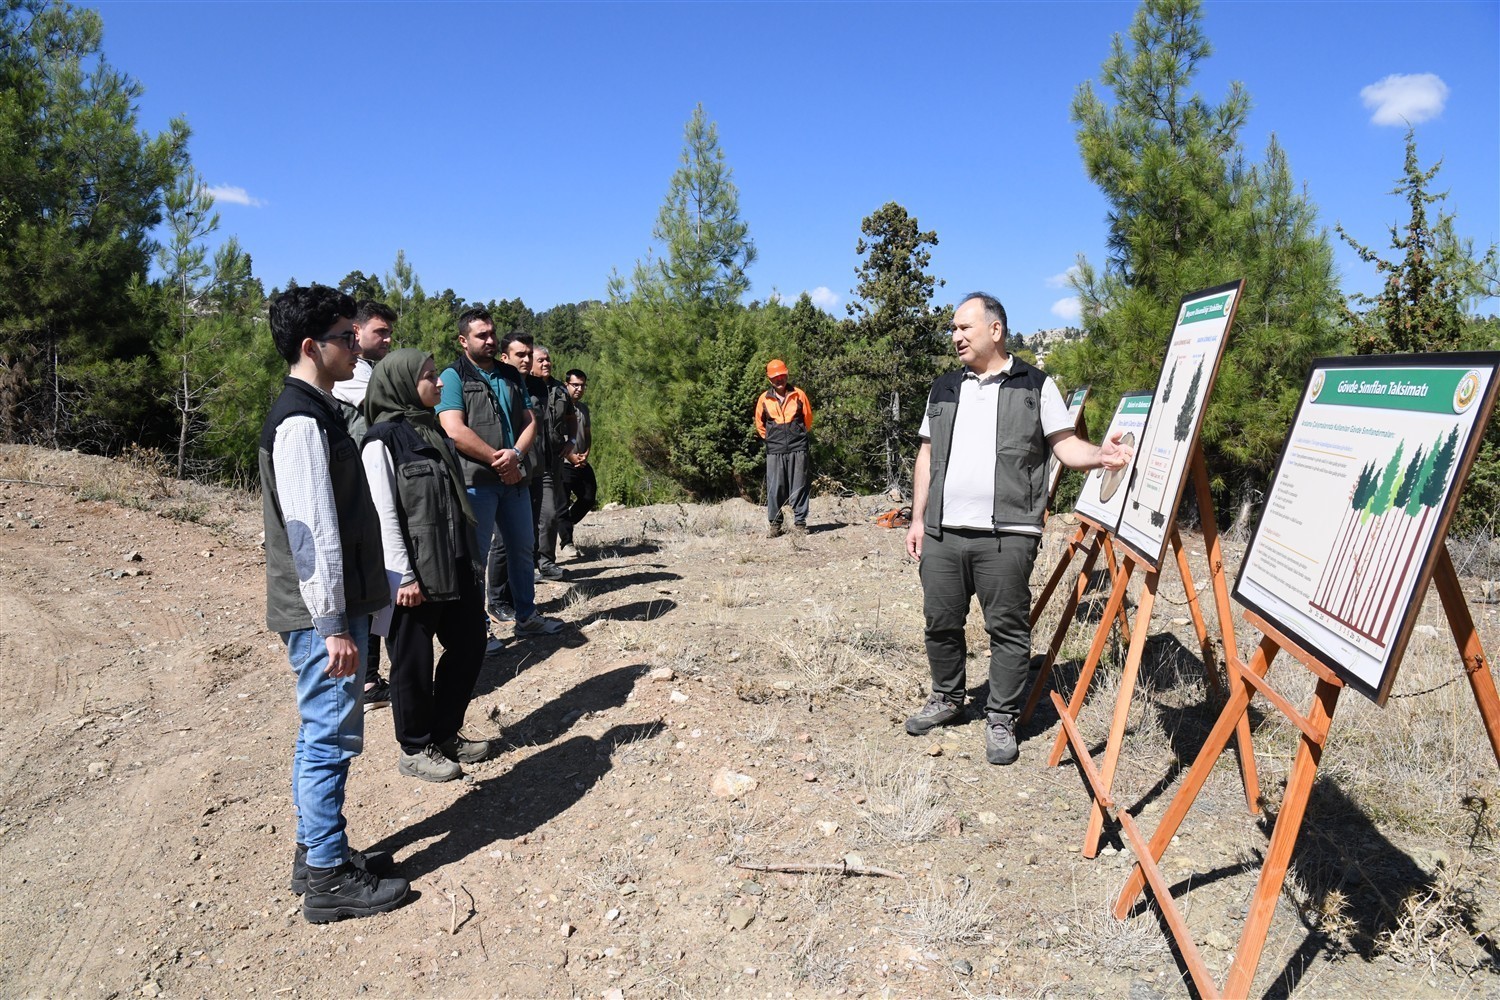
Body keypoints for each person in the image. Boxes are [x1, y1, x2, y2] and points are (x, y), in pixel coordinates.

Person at [903, 292, 1132, 766]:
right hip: (943, 531)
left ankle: (1001, 716)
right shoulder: (943, 387)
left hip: (1008, 533)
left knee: (1006, 628)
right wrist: (918, 518)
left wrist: (1101, 455)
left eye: (964, 327)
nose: (956, 336)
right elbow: (926, 454)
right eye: (953, 329)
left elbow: (1065, 445)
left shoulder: (1036, 385)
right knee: (940, 621)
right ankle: (947, 697)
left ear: (995, 330)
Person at [258, 284, 407, 923]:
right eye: (346, 338)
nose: (356, 347)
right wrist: (333, 626)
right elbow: (310, 532)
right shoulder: (300, 421)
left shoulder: (315, 411)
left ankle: (316, 852)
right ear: (310, 346)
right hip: (323, 613)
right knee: (329, 736)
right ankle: (327, 877)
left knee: (322, 730)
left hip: (328, 611)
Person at [361, 349, 489, 782]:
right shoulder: (381, 440)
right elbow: (382, 514)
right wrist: (403, 575)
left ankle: (445, 732)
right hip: (413, 573)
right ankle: (415, 748)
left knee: (470, 644)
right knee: (412, 662)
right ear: (402, 384)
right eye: (430, 376)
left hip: (453, 560)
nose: (439, 383)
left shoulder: (431, 430)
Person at [435, 310, 563, 641]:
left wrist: (516, 455)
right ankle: (479, 630)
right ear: (463, 341)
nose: (490, 340)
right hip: (476, 483)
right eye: (482, 335)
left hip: (515, 479)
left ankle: (527, 617)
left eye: (492, 333)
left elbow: (530, 421)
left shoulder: (510, 374)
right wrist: (499, 460)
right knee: (476, 560)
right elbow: (454, 429)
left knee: (522, 549)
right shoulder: (453, 376)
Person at [331, 300, 397, 713]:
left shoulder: (367, 370)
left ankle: (370, 676)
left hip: (367, 490)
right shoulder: (355, 374)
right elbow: (386, 407)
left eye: (389, 332)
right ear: (357, 332)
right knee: (370, 584)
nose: (387, 339)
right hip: (363, 494)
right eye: (380, 332)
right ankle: (368, 679)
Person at [527, 345, 576, 580]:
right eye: (541, 360)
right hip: (528, 461)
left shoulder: (560, 389)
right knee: (531, 515)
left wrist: (572, 440)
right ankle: (529, 564)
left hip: (552, 461)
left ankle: (545, 562)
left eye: (548, 360)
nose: (546, 363)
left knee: (550, 514)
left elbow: (571, 417)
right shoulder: (522, 387)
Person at [754, 359, 814, 537]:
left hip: (798, 447)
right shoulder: (764, 399)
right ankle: (775, 525)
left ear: (787, 374)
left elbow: (808, 420)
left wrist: (797, 435)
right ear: (769, 379)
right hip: (775, 449)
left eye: (782, 375)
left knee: (799, 486)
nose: (779, 379)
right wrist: (773, 440)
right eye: (775, 377)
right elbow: (760, 425)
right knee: (775, 488)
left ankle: (800, 524)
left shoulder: (799, 395)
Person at [557, 369, 595, 560]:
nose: (579, 389)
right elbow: (554, 436)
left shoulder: (583, 408)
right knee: (562, 504)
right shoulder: (558, 407)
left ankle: (563, 525)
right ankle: (566, 543)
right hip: (563, 462)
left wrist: (586, 452)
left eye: (582, 385)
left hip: (581, 461)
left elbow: (587, 433)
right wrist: (570, 455)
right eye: (575, 385)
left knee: (588, 497)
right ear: (566, 385)